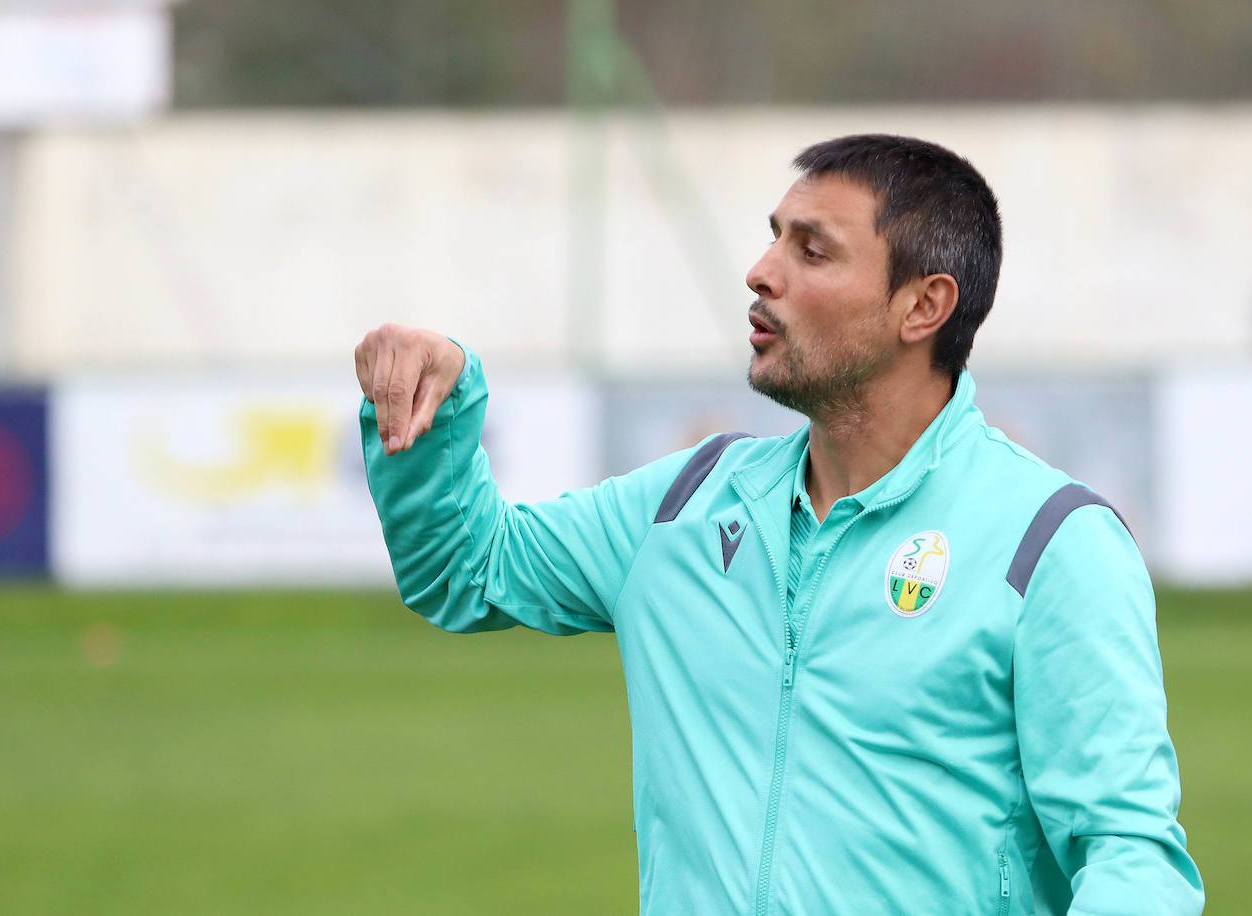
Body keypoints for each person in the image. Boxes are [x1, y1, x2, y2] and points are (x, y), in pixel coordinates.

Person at [355, 134, 1204, 915]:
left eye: (812, 250)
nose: (761, 272)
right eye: (774, 238)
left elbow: (1131, 854)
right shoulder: (684, 503)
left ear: (923, 307)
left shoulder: (1050, 541)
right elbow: (465, 570)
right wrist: (437, 412)